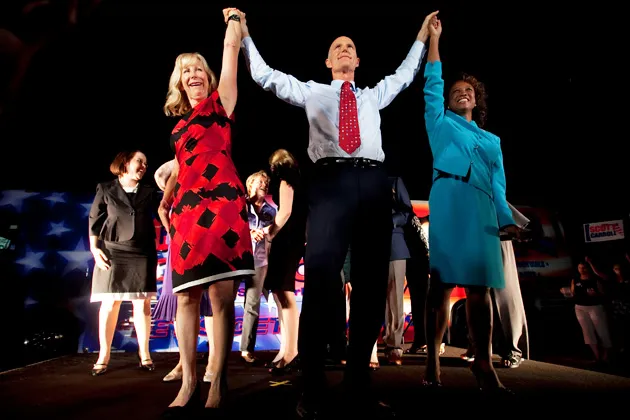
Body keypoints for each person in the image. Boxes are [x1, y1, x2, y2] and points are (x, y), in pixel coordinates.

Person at [238, 8, 439, 417]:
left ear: (358, 61)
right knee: (322, 283)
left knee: (369, 287)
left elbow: (405, 73)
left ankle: (358, 384)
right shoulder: (313, 91)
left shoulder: (372, 95)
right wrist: (243, 34)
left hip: (373, 184)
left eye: (350, 47)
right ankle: (312, 386)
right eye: (337, 48)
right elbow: (265, 76)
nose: (345, 50)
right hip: (329, 185)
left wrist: (422, 34)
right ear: (328, 63)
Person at [158, 8, 254, 412]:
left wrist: (234, 21)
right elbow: (185, 164)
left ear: (209, 76)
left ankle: (219, 377)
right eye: (186, 71)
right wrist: (168, 194)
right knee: (185, 298)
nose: (193, 74)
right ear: (178, 83)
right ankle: (189, 378)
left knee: (220, 296)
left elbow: (231, 50)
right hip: (188, 212)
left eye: (199, 69)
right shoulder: (178, 127)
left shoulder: (222, 104)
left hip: (224, 206)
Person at [422, 15, 519, 392]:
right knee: (441, 285)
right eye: (456, 90)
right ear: (448, 99)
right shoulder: (439, 122)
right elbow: (432, 84)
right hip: (447, 200)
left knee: (481, 290)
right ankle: (432, 356)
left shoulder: (492, 141)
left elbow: (498, 184)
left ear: (476, 100)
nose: (462, 92)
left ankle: (483, 362)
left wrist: (505, 219)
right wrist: (434, 40)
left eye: (468, 91)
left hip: (480, 210)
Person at [88, 150, 159, 376]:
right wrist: (94, 248)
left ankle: (145, 354)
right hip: (113, 250)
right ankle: (104, 355)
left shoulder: (149, 192)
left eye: (146, 163)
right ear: (125, 163)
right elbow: (94, 219)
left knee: (142, 304)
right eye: (140, 161)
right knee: (110, 304)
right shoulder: (106, 188)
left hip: (142, 251)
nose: (144, 166)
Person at [152, 159, 215, 383]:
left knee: (209, 302)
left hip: (206, 238)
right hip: (180, 246)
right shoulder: (174, 192)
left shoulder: (207, 176)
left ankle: (213, 363)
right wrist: (170, 229)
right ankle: (183, 363)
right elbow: (163, 209)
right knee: (182, 301)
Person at [264, 149, 307, 376]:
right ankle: (285, 349)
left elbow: (285, 212)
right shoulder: (298, 181)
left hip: (287, 239)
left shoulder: (286, 180)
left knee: (285, 291)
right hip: (294, 238)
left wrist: (269, 233)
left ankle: (292, 351)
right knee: (281, 291)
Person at [241, 170, 276, 364]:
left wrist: (266, 232)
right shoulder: (240, 205)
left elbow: (276, 232)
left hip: (259, 261)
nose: (264, 185)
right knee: (224, 305)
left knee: (252, 304)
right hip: (237, 260)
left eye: (266, 183)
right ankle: (216, 347)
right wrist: (249, 232)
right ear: (250, 185)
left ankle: (246, 349)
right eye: (260, 182)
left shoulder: (271, 211)